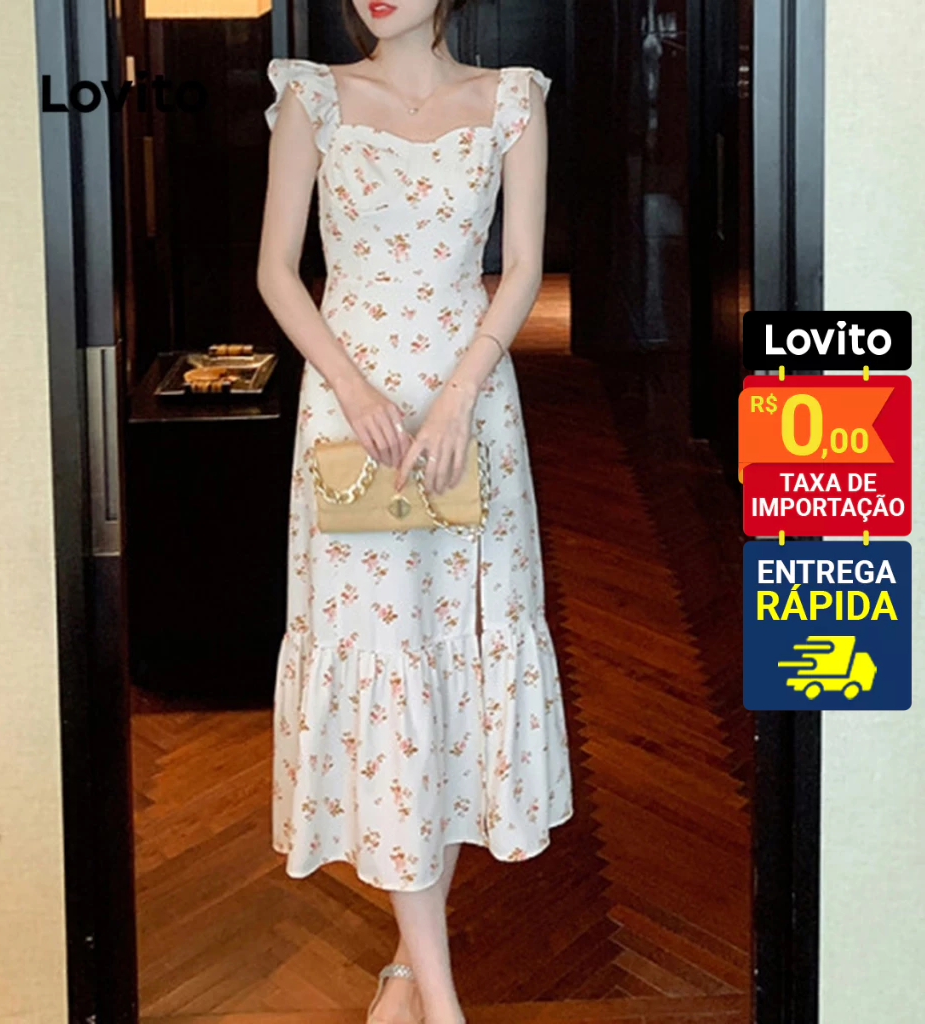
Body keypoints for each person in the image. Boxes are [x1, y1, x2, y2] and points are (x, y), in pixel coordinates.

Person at [256, 2, 573, 1021]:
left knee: (449, 656)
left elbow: (521, 268)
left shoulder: (511, 100)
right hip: (355, 416)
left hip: (464, 413)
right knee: (384, 659)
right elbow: (277, 271)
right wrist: (351, 387)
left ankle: (405, 967)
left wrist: (456, 395)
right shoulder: (312, 96)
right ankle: (442, 1001)